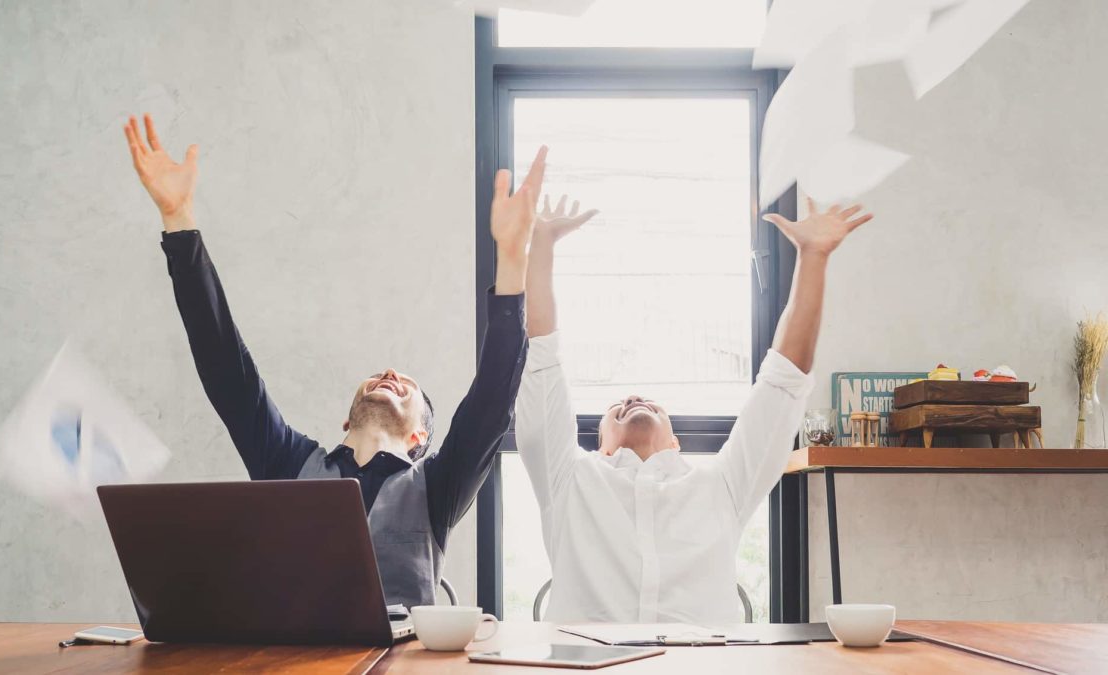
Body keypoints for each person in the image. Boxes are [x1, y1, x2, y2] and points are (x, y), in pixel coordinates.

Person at [123, 114, 546, 608]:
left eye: (405, 384)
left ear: (419, 439)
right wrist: (179, 223)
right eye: (381, 375)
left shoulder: (435, 487)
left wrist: (513, 260)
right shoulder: (287, 463)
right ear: (347, 417)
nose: (390, 375)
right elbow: (225, 368)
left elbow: (492, 403)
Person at [516, 194, 873, 624]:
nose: (633, 400)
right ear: (600, 446)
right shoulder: (569, 481)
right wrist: (540, 248)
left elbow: (782, 383)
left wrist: (813, 258)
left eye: (651, 405)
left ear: (675, 442)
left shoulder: (720, 485)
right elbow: (542, 364)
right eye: (617, 408)